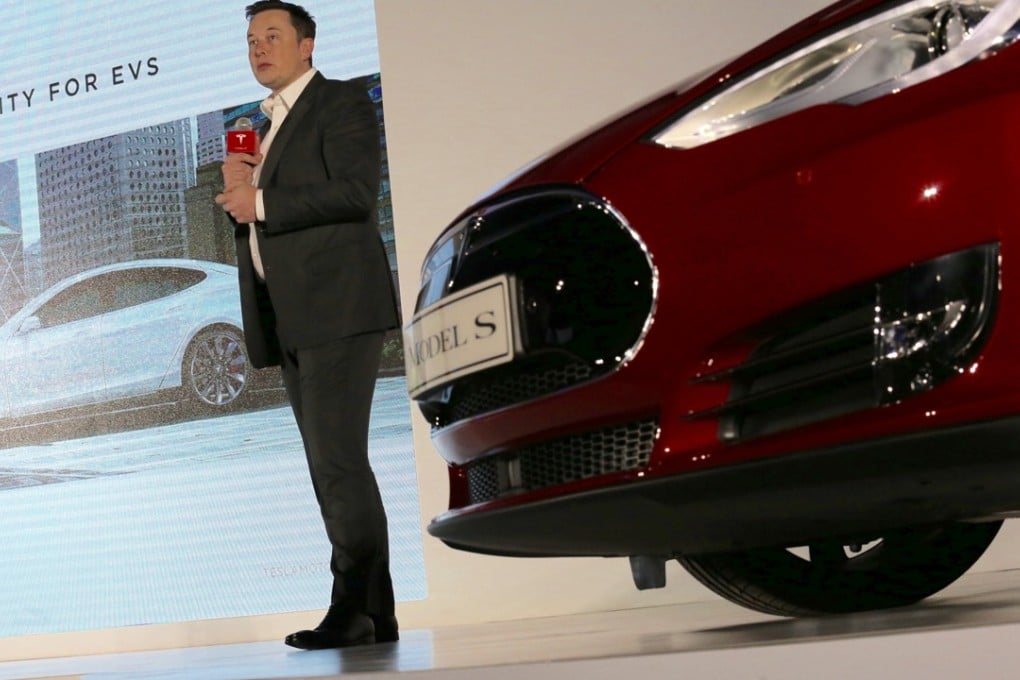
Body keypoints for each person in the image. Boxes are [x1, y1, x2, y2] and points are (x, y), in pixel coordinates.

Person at [215, 0, 400, 649]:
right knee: (338, 465)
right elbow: (269, 220)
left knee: (336, 464)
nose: (259, 48)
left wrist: (259, 198)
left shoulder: (341, 102)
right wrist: (243, 186)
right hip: (292, 316)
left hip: (338, 307)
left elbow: (355, 192)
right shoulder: (259, 129)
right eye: (250, 39)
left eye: (272, 36)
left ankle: (350, 608)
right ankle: (376, 613)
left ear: (307, 45)